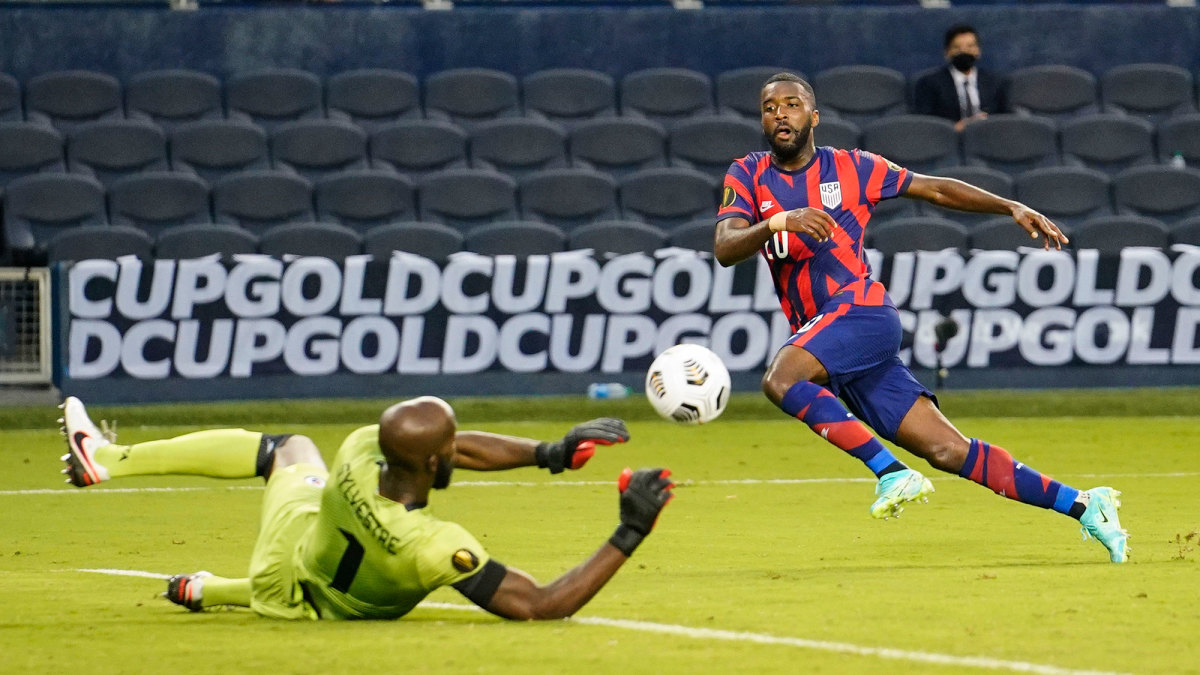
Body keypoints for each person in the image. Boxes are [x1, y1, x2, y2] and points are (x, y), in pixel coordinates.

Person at [713, 72, 1128, 563]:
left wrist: (1008, 205)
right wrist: (778, 221)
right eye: (769, 107)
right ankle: (1086, 505)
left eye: (792, 104)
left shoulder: (852, 167)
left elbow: (935, 190)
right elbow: (725, 247)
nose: (780, 114)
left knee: (780, 379)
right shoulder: (747, 173)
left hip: (860, 311)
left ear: (814, 116)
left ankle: (889, 472)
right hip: (834, 342)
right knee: (949, 451)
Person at [58, 395, 674, 618]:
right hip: (332, 607)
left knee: (288, 449)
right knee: (310, 588)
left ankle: (111, 462)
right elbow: (541, 605)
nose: (463, 447)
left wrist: (551, 452)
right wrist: (630, 530)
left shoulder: (358, 451)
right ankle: (212, 589)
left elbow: (456, 450)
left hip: (290, 563)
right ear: (434, 464)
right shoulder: (430, 546)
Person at [913, 24, 1006, 131]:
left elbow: (1005, 117)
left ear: (978, 51)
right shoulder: (929, 83)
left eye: (970, 46)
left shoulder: (995, 82)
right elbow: (924, 122)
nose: (964, 51)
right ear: (947, 53)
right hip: (946, 141)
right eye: (957, 47)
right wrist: (954, 128)